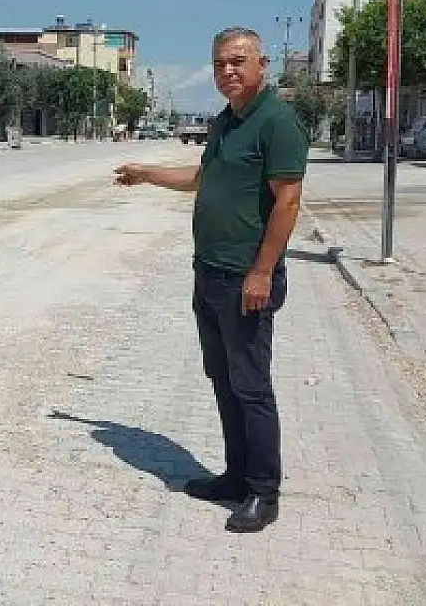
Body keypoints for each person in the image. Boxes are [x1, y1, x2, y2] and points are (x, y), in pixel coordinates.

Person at [114, 27, 308, 533]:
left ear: (262, 64)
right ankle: (236, 475)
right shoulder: (225, 122)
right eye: (220, 62)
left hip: (247, 278)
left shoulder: (277, 121)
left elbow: (288, 200)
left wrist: (261, 271)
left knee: (252, 387)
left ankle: (263, 492)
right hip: (211, 274)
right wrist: (147, 173)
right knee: (223, 380)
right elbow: (202, 179)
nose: (228, 70)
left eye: (238, 61)